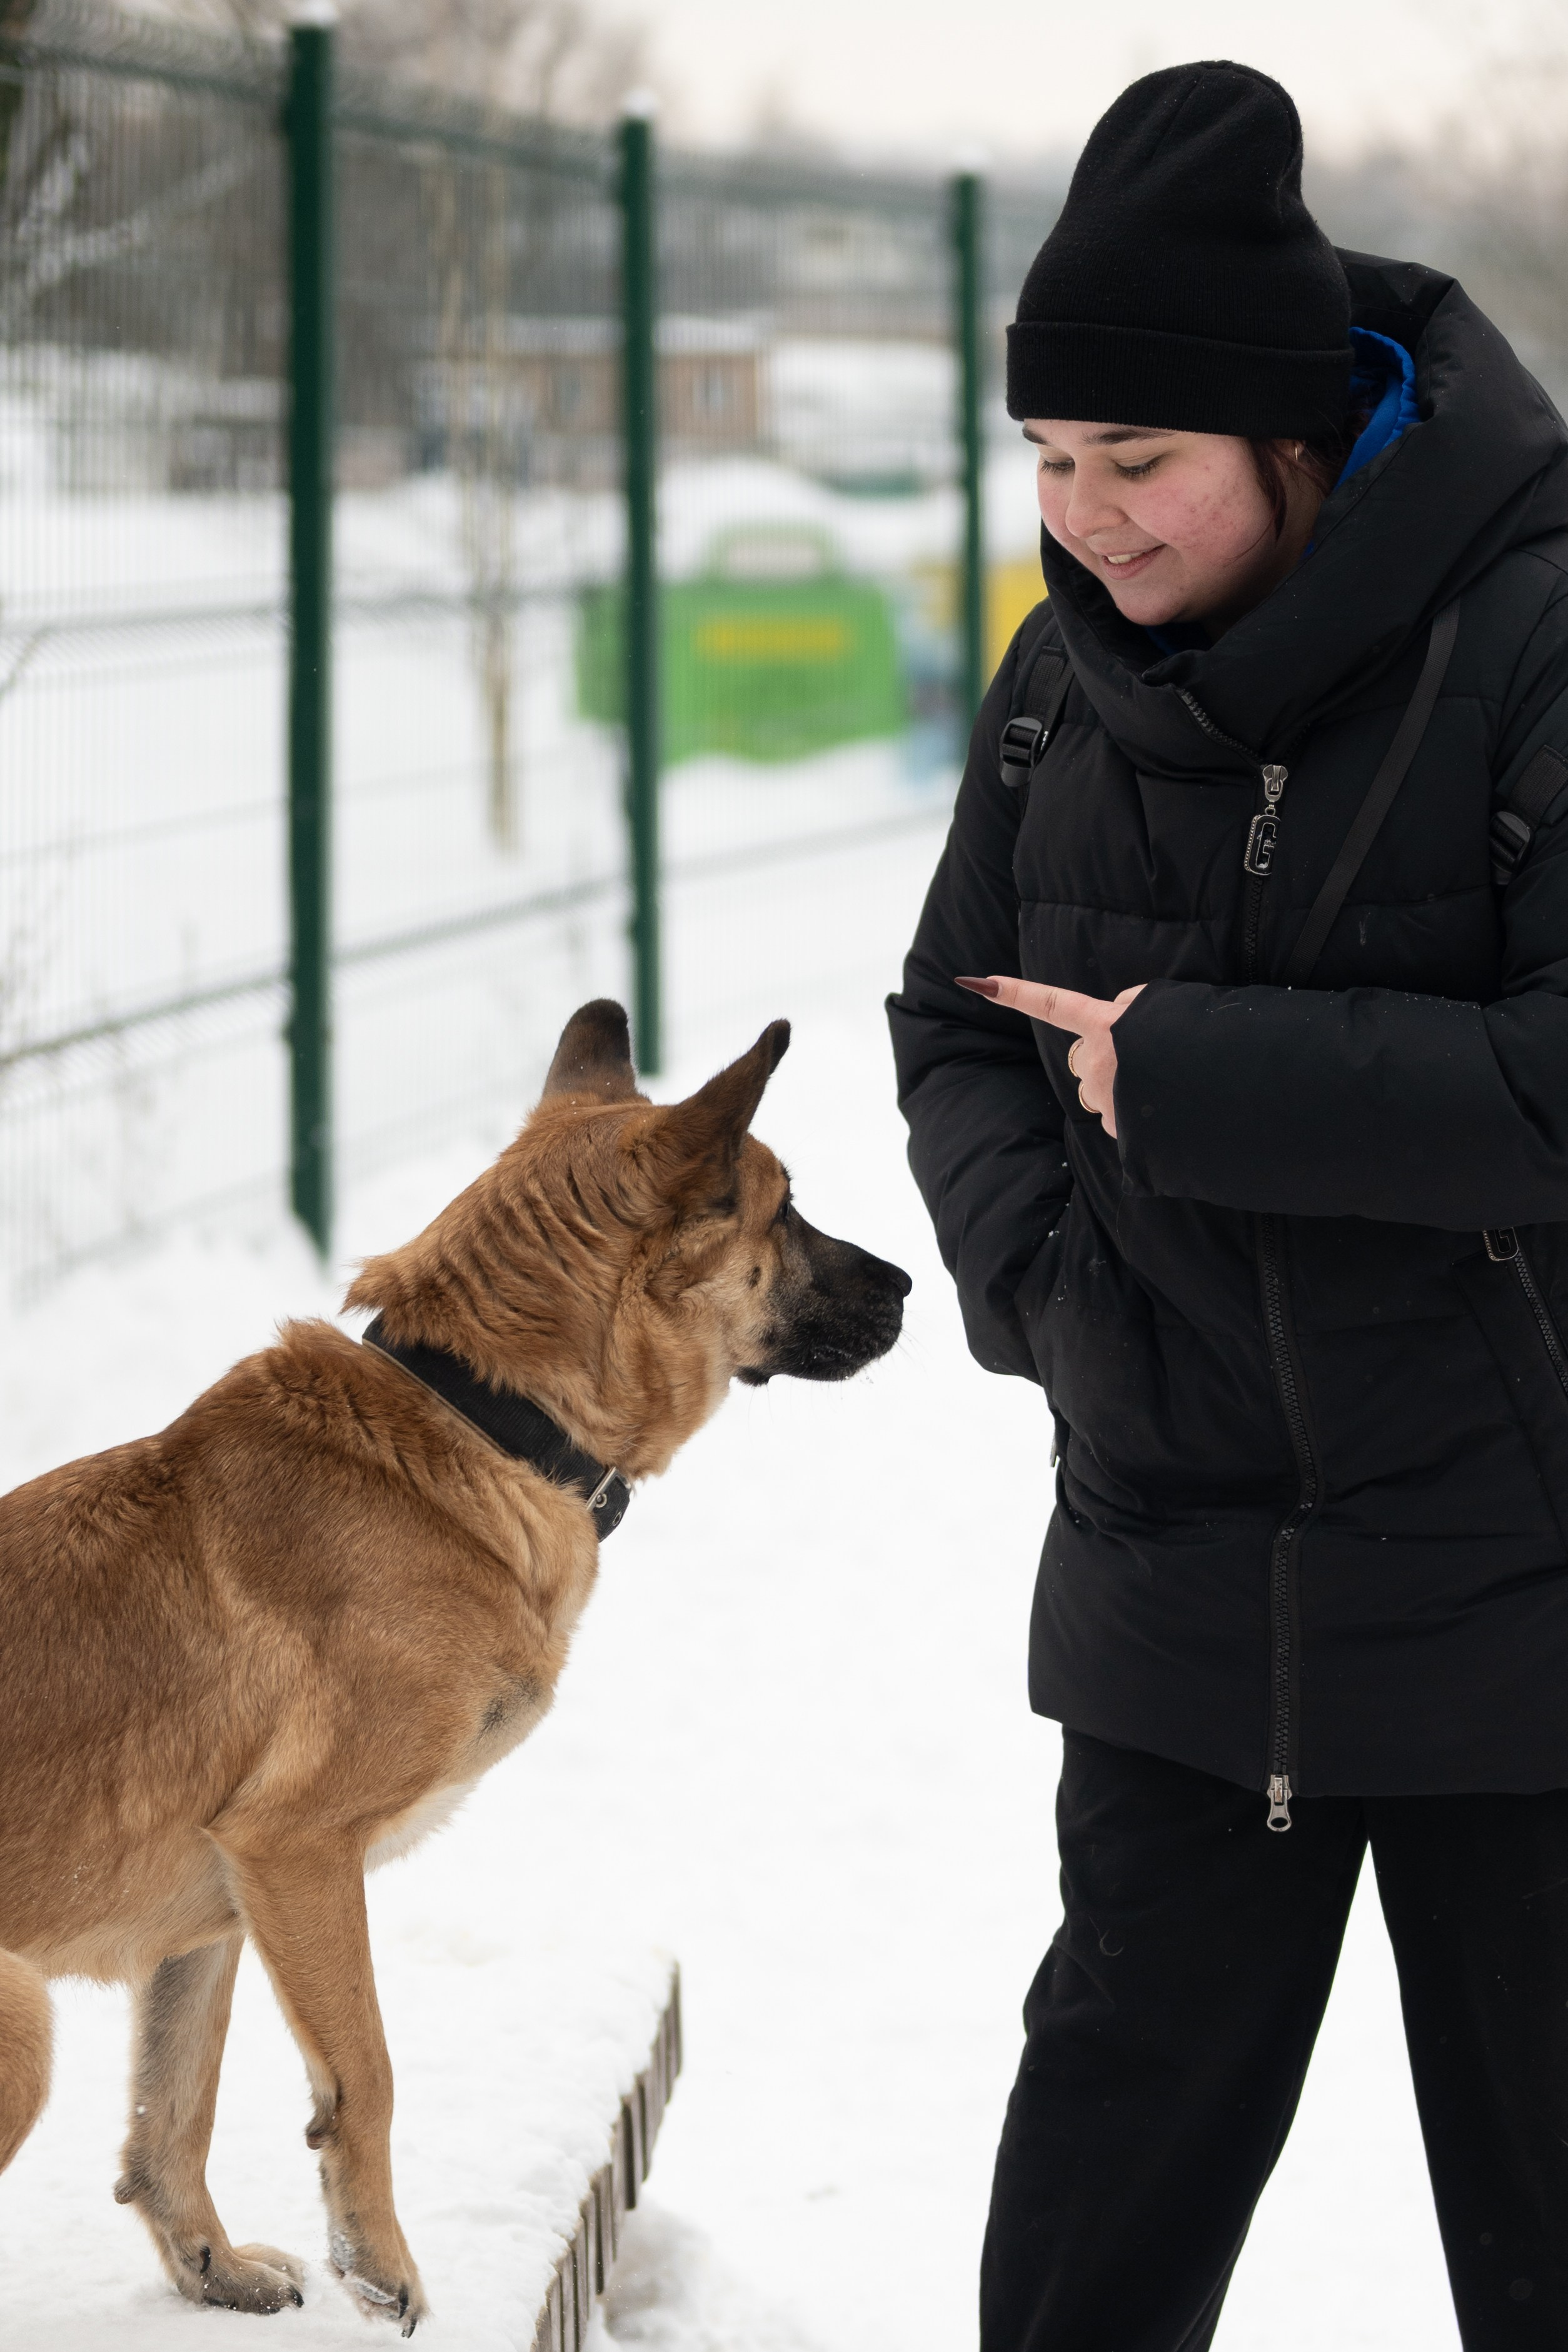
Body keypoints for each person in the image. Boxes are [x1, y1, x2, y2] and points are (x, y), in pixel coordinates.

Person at [888, 58, 1568, 2352]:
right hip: (1178, 1603)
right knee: (1086, 2258)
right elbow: (955, 1013)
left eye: (1139, 463)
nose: (1085, 521)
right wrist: (1047, 1289)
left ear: (1300, 437)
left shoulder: (1540, 639)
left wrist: (1187, 1076)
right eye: (1049, 463)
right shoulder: (1053, 688)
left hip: (1525, 1612)